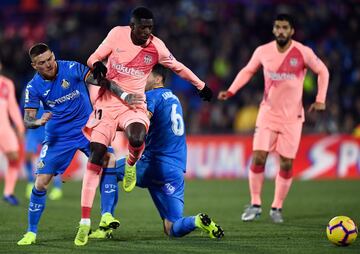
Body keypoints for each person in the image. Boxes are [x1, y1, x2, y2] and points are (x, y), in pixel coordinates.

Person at [75, 6, 213, 246]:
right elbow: (93, 58)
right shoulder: (116, 34)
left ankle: (130, 164)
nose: (147, 31)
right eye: (143, 27)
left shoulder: (156, 46)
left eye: (151, 27)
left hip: (134, 104)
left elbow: (177, 66)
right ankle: (91, 220)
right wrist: (97, 64)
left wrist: (201, 85)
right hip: (108, 104)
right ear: (132, 26)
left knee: (137, 138)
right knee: (97, 155)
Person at [89, 64, 224, 241]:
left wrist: (110, 126)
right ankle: (197, 221)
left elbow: (140, 124)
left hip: (153, 164)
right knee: (172, 227)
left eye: (146, 74)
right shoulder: (174, 98)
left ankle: (105, 224)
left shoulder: (151, 96)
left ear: (158, 78)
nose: (142, 78)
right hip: (175, 171)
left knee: (108, 166)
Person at [218, 14, 329, 223]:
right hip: (267, 114)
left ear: (291, 31)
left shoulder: (303, 52)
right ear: (273, 29)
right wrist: (231, 91)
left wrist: (320, 99)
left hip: (292, 119)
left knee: (286, 164)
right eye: (277, 27)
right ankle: (255, 204)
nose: (280, 31)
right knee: (259, 157)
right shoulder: (263, 51)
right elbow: (248, 70)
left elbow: (322, 71)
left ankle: (277, 207)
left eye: (285, 27)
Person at [23, 103, 63, 201]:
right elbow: (23, 110)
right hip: (34, 129)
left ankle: (57, 188)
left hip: (49, 129)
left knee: (53, 159)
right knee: (27, 156)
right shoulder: (30, 90)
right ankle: (30, 182)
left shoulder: (54, 90)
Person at [0, 60, 25, 206]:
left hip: (4, 127)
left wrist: (20, 126)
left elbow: (13, 106)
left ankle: (8, 192)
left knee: (14, 157)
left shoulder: (6, 84)